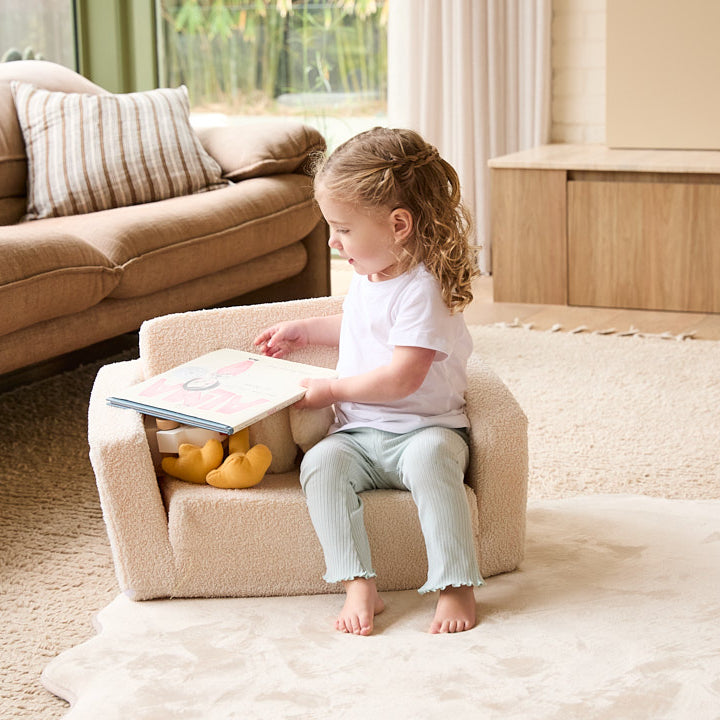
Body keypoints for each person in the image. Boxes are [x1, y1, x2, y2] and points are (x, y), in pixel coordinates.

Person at [254, 126, 482, 636]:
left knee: (430, 462)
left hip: (426, 429)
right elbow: (361, 327)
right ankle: (358, 582)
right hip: (358, 434)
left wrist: (331, 390)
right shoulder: (369, 273)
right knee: (321, 465)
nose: (332, 242)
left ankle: (455, 583)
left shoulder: (424, 289)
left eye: (342, 229)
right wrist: (305, 330)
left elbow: (403, 378)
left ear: (398, 225)